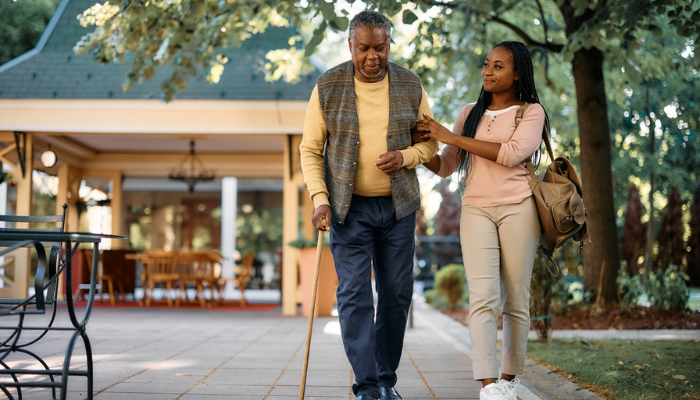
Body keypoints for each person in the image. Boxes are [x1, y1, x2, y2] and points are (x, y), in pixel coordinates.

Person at [299, 10, 438, 400]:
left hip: (398, 208)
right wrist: (320, 199)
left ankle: (385, 378)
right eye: (364, 48)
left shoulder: (411, 84)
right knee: (355, 295)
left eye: (380, 47)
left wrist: (406, 157)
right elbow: (310, 150)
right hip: (348, 209)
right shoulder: (328, 86)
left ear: (389, 44)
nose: (373, 56)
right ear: (350, 46)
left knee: (396, 294)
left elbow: (431, 144)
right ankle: (366, 386)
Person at [417, 41, 547, 400]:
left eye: (498, 66)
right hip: (476, 209)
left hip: (518, 208)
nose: (488, 71)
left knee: (516, 299)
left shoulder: (531, 113)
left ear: (517, 72)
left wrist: (451, 136)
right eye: (487, 64)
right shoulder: (468, 113)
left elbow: (510, 154)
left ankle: (510, 377)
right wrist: (419, 150)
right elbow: (446, 165)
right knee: (483, 298)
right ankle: (489, 384)